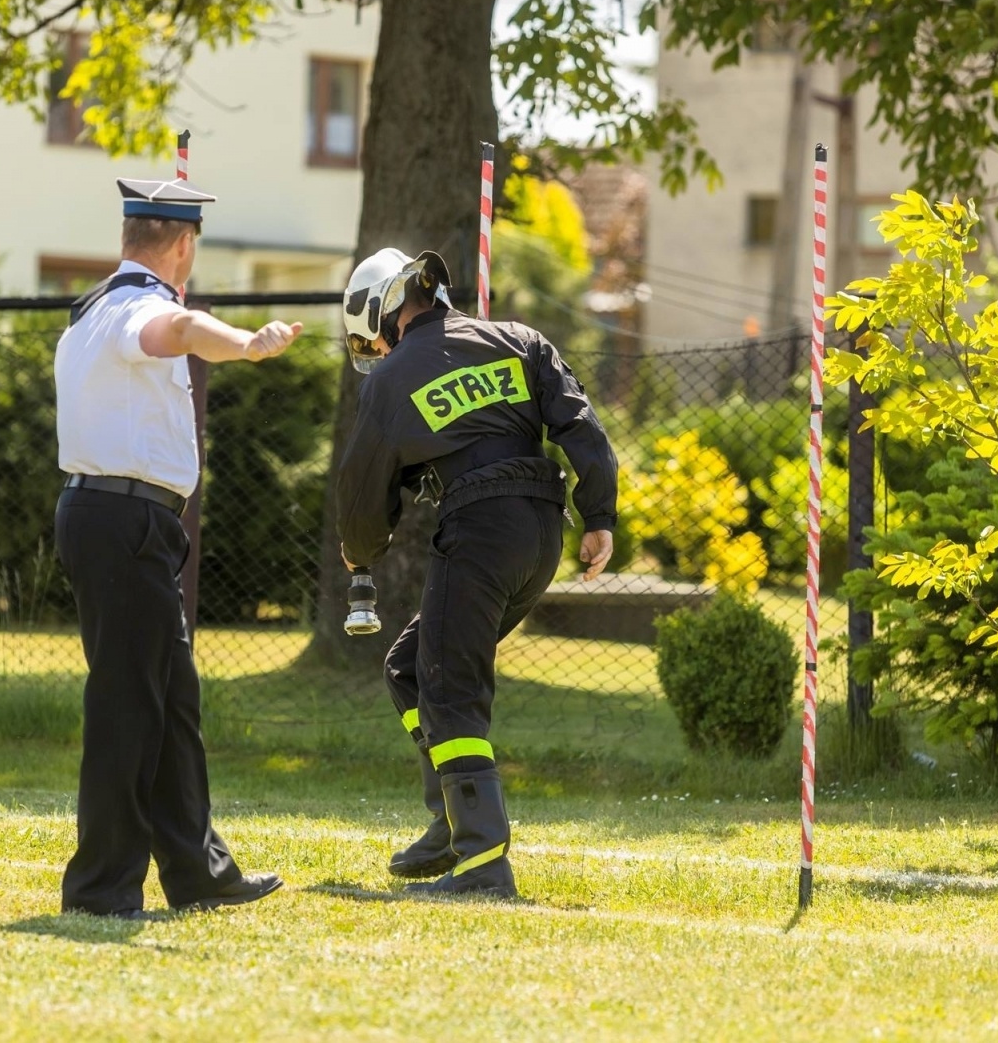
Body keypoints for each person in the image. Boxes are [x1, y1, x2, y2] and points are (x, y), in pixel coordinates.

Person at [335, 247, 618, 898]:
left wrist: (360, 552)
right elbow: (581, 423)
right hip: (542, 535)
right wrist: (598, 514)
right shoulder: (518, 338)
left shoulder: (390, 378)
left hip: (479, 530)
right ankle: (449, 816)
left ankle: (483, 863)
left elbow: (363, 489)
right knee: (412, 667)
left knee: (449, 686)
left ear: (378, 313)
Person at [54, 176, 300, 917]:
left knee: (171, 702)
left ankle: (198, 871)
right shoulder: (142, 309)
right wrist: (249, 346)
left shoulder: (90, 311)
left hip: (115, 520)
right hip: (126, 523)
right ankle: (101, 887)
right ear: (184, 246)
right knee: (130, 705)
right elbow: (183, 334)